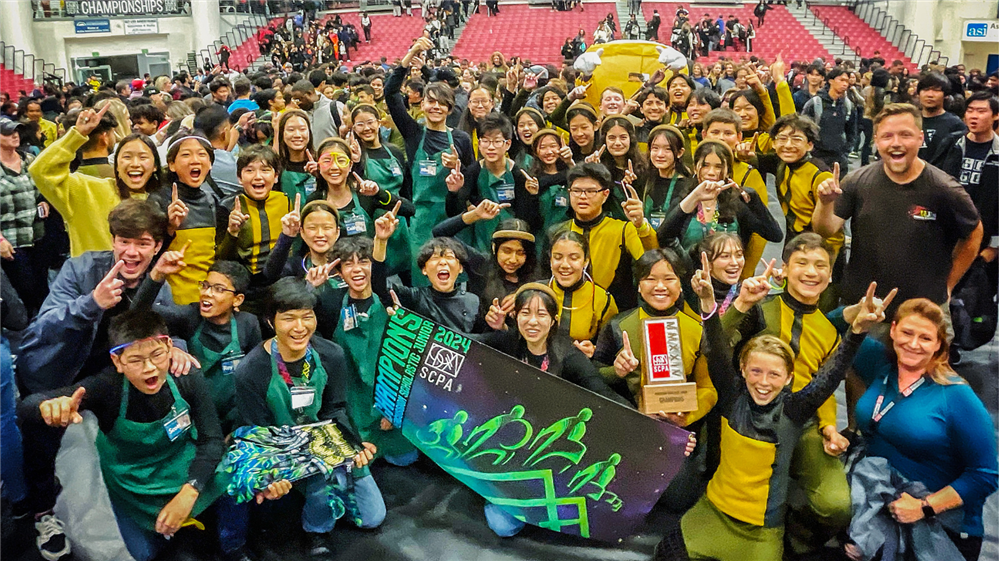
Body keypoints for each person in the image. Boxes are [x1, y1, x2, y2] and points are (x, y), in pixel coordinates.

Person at [653, 260, 890, 561]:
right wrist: (708, 304)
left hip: (762, 534)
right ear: (742, 370)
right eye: (756, 372)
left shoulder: (795, 409)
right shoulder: (731, 396)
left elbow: (830, 375)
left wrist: (856, 332)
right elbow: (714, 349)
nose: (763, 383)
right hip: (712, 515)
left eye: (774, 375)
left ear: (789, 378)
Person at [18, 310, 289, 561]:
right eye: (136, 360)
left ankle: (230, 545)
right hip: (134, 484)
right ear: (117, 361)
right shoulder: (107, 387)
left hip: (181, 464)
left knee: (236, 483)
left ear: (170, 347)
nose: (149, 368)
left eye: (157, 355)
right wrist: (47, 407)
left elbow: (212, 440)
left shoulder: (186, 376)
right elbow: (26, 407)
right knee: (145, 553)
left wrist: (189, 492)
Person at [720, 233, 853, 553]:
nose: (811, 272)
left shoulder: (828, 331)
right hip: (749, 417)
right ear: (784, 269)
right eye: (802, 263)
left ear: (830, 275)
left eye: (820, 265)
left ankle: (794, 537)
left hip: (803, 422)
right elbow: (715, 345)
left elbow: (825, 386)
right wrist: (741, 305)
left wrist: (829, 426)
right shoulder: (761, 309)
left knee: (836, 505)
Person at [234, 278, 385, 557]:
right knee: (317, 486)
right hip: (284, 449)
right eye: (289, 318)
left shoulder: (331, 355)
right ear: (270, 321)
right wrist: (270, 474)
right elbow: (258, 432)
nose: (300, 327)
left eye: (307, 316)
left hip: (327, 440)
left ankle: (327, 495)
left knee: (372, 517)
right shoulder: (250, 371)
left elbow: (336, 408)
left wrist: (352, 444)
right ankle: (316, 529)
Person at [841, 298, 998, 561]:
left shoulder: (956, 396)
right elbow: (831, 323)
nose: (913, 344)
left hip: (939, 527)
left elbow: (985, 475)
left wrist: (925, 507)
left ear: (939, 344)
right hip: (880, 505)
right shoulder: (880, 365)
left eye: (925, 338)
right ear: (893, 330)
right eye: (907, 332)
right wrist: (859, 311)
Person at [478, 283, 631, 536]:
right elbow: (464, 343)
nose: (532, 321)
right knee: (503, 526)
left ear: (553, 321)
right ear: (516, 317)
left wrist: (659, 430)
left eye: (541, 314)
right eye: (525, 313)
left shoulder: (570, 357)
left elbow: (604, 396)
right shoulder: (507, 341)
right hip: (512, 445)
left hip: (550, 450)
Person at [813, 103, 983, 321]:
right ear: (876, 141)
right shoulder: (857, 181)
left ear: (920, 138)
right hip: (862, 307)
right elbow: (825, 229)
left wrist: (948, 285)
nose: (896, 143)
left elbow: (974, 232)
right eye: (887, 136)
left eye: (905, 135)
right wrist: (825, 203)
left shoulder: (944, 189)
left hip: (920, 313)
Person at [385, 37, 473, 271]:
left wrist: (459, 168)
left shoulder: (461, 139)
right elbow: (391, 93)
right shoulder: (413, 132)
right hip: (421, 221)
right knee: (423, 276)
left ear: (450, 109)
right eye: (430, 101)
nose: (436, 107)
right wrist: (411, 52)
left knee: (453, 277)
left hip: (454, 219)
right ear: (422, 105)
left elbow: (471, 184)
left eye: (442, 103)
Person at [29, 104, 163, 256]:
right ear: (116, 165)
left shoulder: (164, 201)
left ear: (155, 166)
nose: (135, 163)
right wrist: (77, 135)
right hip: (92, 272)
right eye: (127, 157)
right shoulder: (87, 190)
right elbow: (41, 171)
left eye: (143, 157)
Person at [551, 162, 657, 311]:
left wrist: (641, 225)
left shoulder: (623, 230)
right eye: (576, 191)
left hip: (616, 313)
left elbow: (653, 261)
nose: (582, 196)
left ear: (605, 194)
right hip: (565, 310)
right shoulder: (558, 232)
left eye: (591, 191)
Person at [445, 113, 540, 253]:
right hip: (480, 245)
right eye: (485, 141)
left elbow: (529, 220)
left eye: (497, 141)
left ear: (507, 144)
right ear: (479, 143)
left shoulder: (519, 174)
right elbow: (454, 213)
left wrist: (532, 196)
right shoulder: (472, 172)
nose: (490, 147)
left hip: (512, 244)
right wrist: (454, 192)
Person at [941, 91, 998, 286]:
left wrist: (995, 246)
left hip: (983, 240)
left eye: (981, 111)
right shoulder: (952, 143)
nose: (974, 116)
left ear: (995, 115)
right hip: (946, 235)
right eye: (970, 110)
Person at [801, 67, 857, 173]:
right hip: (817, 157)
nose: (845, 84)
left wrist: (845, 152)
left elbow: (852, 132)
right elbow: (803, 129)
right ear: (831, 81)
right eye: (841, 80)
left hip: (839, 158)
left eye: (847, 81)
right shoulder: (815, 103)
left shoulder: (848, 105)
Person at [917, 72, 967, 167]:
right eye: (925, 90)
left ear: (946, 95)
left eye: (936, 90)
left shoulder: (955, 124)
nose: (930, 95)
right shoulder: (910, 120)